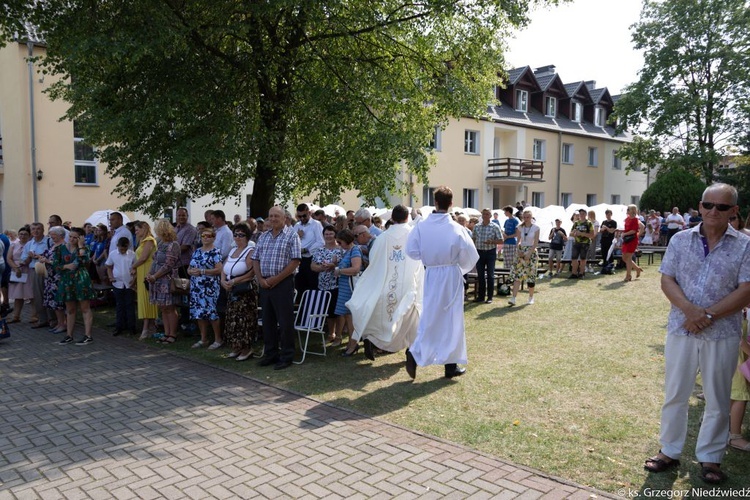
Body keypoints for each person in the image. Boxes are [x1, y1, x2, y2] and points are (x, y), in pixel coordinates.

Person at [644, 183, 750, 485]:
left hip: (723, 333)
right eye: (708, 205)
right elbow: (667, 279)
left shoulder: (745, 245)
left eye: (722, 207)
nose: (713, 211)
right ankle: (669, 450)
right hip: (682, 328)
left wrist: (706, 315)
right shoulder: (679, 240)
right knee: (675, 393)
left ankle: (710, 457)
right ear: (699, 207)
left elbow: (747, 290)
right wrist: (690, 311)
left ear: (734, 211)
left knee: (717, 398)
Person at [405, 186, 479, 379]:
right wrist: (458, 268)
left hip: (432, 274)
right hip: (450, 275)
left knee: (431, 315)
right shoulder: (457, 228)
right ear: (451, 204)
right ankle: (446, 363)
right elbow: (471, 256)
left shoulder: (421, 226)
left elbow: (411, 251)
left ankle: (426, 356)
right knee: (452, 320)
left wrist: (428, 257)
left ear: (435, 202)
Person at [347, 205, 424, 360]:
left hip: (387, 284)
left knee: (382, 315)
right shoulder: (414, 235)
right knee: (410, 317)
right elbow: (420, 258)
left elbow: (375, 261)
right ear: (407, 217)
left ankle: (373, 340)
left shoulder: (382, 237)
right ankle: (411, 349)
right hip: (408, 284)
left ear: (392, 218)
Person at [251, 206, 301, 370]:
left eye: (276, 216)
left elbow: (295, 261)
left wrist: (275, 279)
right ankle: (270, 354)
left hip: (283, 283)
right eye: (270, 216)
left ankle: (286, 356)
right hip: (264, 283)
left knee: (285, 321)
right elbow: (255, 259)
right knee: (267, 321)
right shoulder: (263, 236)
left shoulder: (292, 235)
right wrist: (260, 279)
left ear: (285, 218)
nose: (273, 219)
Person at [54, 227, 97, 345]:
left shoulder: (84, 248)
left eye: (75, 237)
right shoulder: (60, 249)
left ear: (80, 238)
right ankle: (69, 335)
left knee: (85, 307)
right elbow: (55, 266)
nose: (72, 239)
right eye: (71, 236)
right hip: (67, 280)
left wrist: (81, 245)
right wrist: (66, 266)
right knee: (70, 309)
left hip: (81, 280)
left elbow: (84, 261)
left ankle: (88, 335)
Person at [187, 227, 224, 351]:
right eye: (203, 236)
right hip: (197, 287)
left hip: (210, 286)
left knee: (212, 313)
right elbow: (190, 267)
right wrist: (191, 272)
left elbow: (219, 269)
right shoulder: (197, 251)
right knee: (199, 313)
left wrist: (203, 271)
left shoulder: (215, 252)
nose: (206, 238)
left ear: (213, 238)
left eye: (209, 236)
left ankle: (218, 339)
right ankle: (203, 338)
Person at [146, 219, 181, 344]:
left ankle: (173, 334)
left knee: (169, 307)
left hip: (167, 280)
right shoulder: (161, 243)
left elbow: (168, 265)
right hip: (157, 280)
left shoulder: (174, 245)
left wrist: (155, 276)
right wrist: (150, 274)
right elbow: (155, 261)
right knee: (163, 308)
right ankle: (166, 333)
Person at [310, 225, 345, 345]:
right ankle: (331, 334)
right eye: (326, 234)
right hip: (323, 285)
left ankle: (339, 336)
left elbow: (344, 265)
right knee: (329, 311)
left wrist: (333, 266)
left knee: (338, 310)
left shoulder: (341, 249)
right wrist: (322, 267)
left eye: (331, 234)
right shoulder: (319, 250)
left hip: (338, 284)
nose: (328, 236)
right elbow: (312, 266)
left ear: (335, 235)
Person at [333, 229, 363, 357]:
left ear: (346, 240)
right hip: (345, 287)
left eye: (340, 242)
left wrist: (339, 271)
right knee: (347, 316)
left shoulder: (355, 250)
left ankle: (353, 344)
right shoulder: (348, 251)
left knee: (350, 318)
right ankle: (351, 343)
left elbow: (356, 269)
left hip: (350, 289)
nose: (339, 244)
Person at [131, 221, 158, 339]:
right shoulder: (142, 241)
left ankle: (146, 328)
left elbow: (143, 257)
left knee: (147, 298)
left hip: (147, 271)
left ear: (144, 229)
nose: (136, 232)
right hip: (141, 271)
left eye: (137, 230)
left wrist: (133, 266)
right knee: (143, 299)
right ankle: (150, 326)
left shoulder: (149, 240)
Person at [106, 236, 137, 336]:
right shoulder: (113, 254)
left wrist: (134, 279)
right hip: (117, 283)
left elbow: (136, 268)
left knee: (130, 305)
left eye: (125, 249)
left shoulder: (132, 254)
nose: (123, 251)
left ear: (128, 246)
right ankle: (119, 326)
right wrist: (111, 277)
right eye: (121, 249)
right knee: (119, 305)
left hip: (129, 283)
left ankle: (131, 327)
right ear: (117, 246)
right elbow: (109, 266)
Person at [508, 209, 539, 306]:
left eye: (528, 217)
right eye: (524, 217)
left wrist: (529, 253)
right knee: (517, 275)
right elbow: (518, 241)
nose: (526, 219)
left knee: (530, 275)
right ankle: (513, 298)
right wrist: (519, 250)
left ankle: (530, 297)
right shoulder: (520, 227)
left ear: (531, 217)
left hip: (531, 251)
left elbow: (536, 242)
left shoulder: (536, 228)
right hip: (521, 251)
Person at [294, 203, 325, 300]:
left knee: (312, 285)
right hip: (298, 259)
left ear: (309, 213)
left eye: (304, 215)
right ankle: (300, 309)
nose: (302, 218)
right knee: (299, 285)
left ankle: (312, 308)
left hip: (311, 259)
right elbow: (291, 242)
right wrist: (298, 237)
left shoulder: (316, 224)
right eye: (299, 216)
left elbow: (321, 242)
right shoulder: (297, 225)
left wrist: (307, 249)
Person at [40, 227, 68, 334]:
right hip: (50, 278)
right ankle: (60, 323)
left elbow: (62, 263)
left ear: (60, 235)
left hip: (58, 278)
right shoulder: (53, 245)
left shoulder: (64, 247)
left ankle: (63, 324)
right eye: (51, 234)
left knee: (58, 303)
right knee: (53, 303)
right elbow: (47, 256)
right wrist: (40, 257)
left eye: (53, 235)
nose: (51, 237)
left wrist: (47, 261)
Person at [472, 208, 503, 304]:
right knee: (480, 275)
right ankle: (481, 296)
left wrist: (492, 241)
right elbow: (473, 239)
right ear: (482, 215)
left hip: (490, 252)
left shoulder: (495, 226)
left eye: (487, 214)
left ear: (490, 216)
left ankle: (490, 297)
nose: (485, 216)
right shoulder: (477, 227)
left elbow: (501, 240)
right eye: (484, 214)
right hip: (479, 252)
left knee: (490, 275)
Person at [175, 207, 197, 330]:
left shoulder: (190, 229)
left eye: (183, 215)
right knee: (179, 293)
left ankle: (188, 321)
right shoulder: (175, 229)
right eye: (179, 215)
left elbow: (184, 247)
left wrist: (171, 250)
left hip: (186, 266)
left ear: (187, 216)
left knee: (186, 294)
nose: (181, 217)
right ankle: (182, 319)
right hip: (176, 265)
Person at [6, 226, 34, 323]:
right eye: (21, 234)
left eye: (25, 234)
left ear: (29, 235)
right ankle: (16, 316)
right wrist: (15, 268)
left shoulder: (31, 245)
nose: (23, 236)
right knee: (18, 295)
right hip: (17, 271)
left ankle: (35, 316)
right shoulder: (14, 244)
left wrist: (27, 261)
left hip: (28, 270)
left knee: (31, 294)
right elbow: (9, 258)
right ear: (18, 235)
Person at [569, 209, 595, 279]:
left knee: (583, 259)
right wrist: (574, 233)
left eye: (583, 213)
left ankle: (581, 273)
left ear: (586, 214)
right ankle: (574, 273)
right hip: (576, 242)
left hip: (585, 243)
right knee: (574, 258)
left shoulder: (589, 223)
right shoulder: (576, 223)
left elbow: (592, 235)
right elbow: (570, 234)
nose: (581, 215)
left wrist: (581, 233)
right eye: (580, 213)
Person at [621, 204, 643, 282]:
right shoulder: (627, 219)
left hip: (632, 240)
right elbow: (625, 228)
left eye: (628, 209)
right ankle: (637, 269)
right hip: (626, 239)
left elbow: (635, 230)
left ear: (632, 210)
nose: (627, 210)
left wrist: (637, 234)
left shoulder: (635, 219)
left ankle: (628, 276)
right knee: (624, 258)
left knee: (628, 257)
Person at [501, 205, 519, 270]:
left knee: (512, 259)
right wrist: (504, 235)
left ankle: (512, 273)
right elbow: (504, 231)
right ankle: (506, 274)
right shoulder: (506, 221)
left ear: (508, 212)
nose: (504, 213)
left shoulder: (515, 220)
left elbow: (517, 233)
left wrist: (508, 237)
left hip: (513, 242)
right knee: (506, 259)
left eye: (505, 212)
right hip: (506, 242)